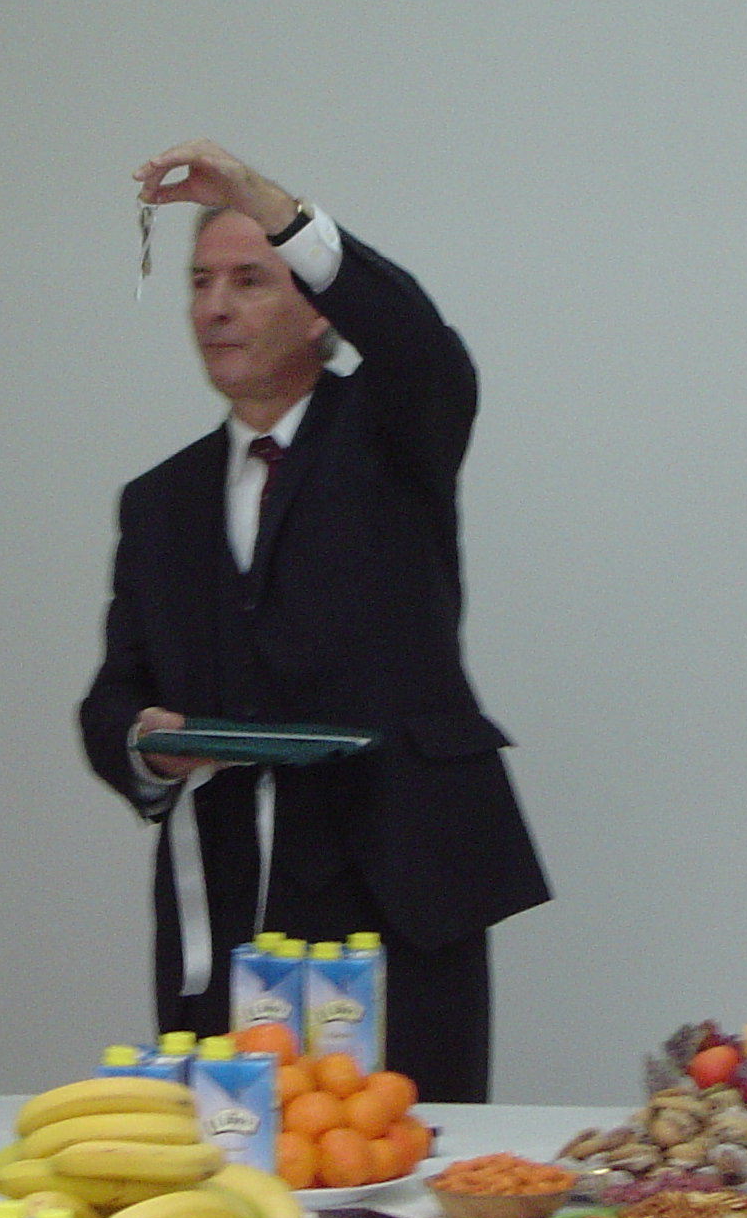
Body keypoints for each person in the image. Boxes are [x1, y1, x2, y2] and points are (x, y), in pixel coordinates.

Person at [80, 140, 550, 1103]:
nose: (215, 307)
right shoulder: (159, 502)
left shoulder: (394, 430)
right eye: (200, 283)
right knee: (232, 1167)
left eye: (250, 280)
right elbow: (114, 698)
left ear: (318, 308)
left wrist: (268, 203)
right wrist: (143, 744)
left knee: (406, 1162)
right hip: (233, 898)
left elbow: (418, 341)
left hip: (400, 888)